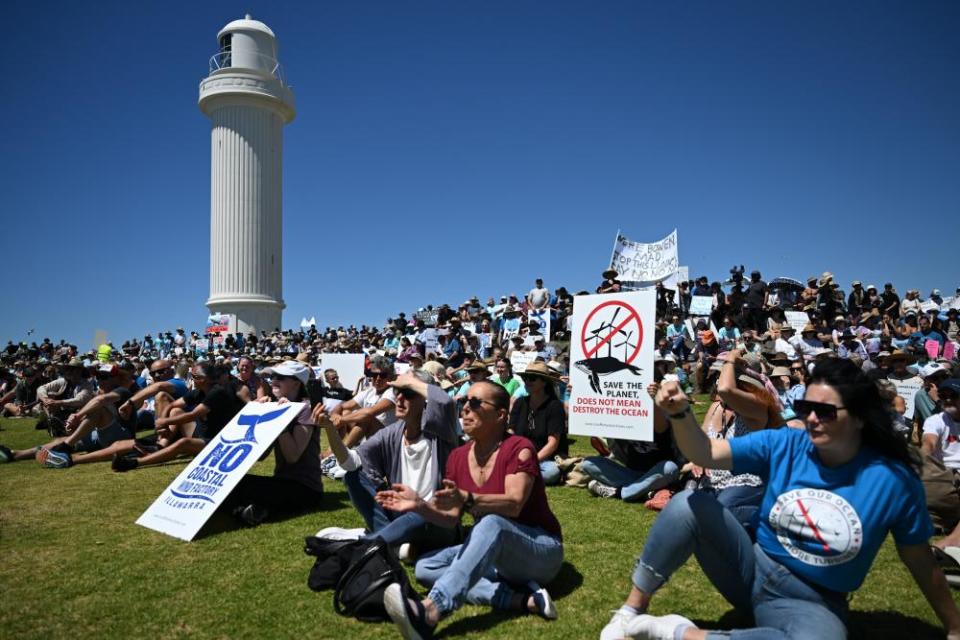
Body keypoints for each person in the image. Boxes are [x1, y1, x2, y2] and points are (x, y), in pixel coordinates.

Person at [600, 359, 960, 640]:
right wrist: (679, 414)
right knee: (689, 503)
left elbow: (920, 561)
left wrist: (953, 626)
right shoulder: (786, 443)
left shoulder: (893, 481)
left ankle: (677, 631)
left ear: (861, 418)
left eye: (826, 412)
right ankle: (631, 611)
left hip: (809, 603)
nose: (812, 419)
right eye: (806, 408)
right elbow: (706, 451)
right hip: (750, 569)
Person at [377, 380, 563, 637]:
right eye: (464, 402)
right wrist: (419, 506)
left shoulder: (519, 448)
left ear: (500, 415)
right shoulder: (458, 456)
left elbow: (514, 503)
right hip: (494, 549)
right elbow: (451, 519)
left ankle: (432, 610)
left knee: (491, 522)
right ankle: (521, 600)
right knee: (425, 567)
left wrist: (467, 498)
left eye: (475, 403)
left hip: (541, 550)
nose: (465, 408)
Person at [315, 370, 460, 551]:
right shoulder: (393, 433)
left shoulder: (439, 430)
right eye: (397, 392)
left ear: (424, 398)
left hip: (435, 518)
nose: (399, 399)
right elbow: (349, 463)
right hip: (399, 513)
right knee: (353, 476)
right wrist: (329, 428)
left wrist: (410, 381)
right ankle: (393, 542)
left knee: (417, 514)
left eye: (407, 393)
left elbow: (444, 401)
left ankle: (362, 545)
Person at [221, 360, 324, 526]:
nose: (273, 380)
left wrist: (280, 418)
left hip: (305, 488)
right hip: (282, 480)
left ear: (296, 382)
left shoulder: (306, 408)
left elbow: (293, 456)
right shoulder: (277, 405)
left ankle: (251, 510)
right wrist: (259, 416)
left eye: (281, 377)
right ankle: (252, 509)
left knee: (244, 490)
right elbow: (261, 456)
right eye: (273, 376)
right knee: (229, 482)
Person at [111, 362, 246, 471]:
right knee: (176, 411)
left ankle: (134, 462)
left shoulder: (217, 392)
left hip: (218, 442)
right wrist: (162, 421)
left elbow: (193, 415)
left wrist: (164, 421)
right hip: (202, 433)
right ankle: (160, 446)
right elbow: (172, 405)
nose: (191, 379)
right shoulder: (199, 391)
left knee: (182, 443)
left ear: (202, 379)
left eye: (193, 376)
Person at [509, 362, 567, 486]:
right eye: (525, 378)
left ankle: (516, 474)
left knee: (551, 472)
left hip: (545, 458)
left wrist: (532, 460)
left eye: (532, 378)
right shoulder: (520, 403)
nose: (527, 381)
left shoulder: (554, 406)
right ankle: (522, 474)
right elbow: (511, 432)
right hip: (519, 454)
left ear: (544, 382)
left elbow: (553, 444)